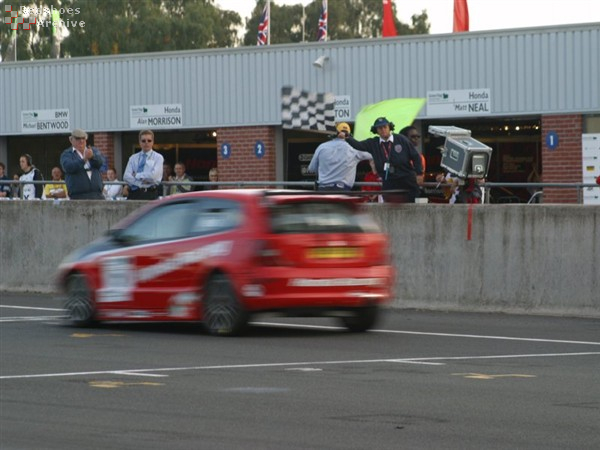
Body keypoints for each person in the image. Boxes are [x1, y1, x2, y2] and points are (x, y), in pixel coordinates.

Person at [346, 117, 423, 202]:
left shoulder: (401, 139)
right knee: (391, 207)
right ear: (376, 130)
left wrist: (419, 174)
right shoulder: (373, 143)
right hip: (388, 181)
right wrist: (347, 137)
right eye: (380, 128)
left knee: (411, 206)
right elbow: (358, 145)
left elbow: (415, 156)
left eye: (385, 127)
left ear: (389, 127)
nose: (383, 130)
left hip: (406, 179)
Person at [308, 122, 374, 191]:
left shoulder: (321, 147)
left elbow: (312, 168)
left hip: (323, 189)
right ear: (350, 134)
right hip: (342, 190)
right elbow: (373, 155)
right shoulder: (354, 149)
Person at [60, 129, 105, 200]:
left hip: (97, 195)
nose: (81, 141)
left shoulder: (93, 151)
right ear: (71, 140)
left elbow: (100, 163)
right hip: (77, 196)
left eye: (83, 138)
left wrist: (92, 157)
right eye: (78, 138)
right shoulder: (67, 154)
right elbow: (68, 167)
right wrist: (84, 160)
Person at [123, 129, 164, 200]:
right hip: (133, 193)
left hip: (150, 194)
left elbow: (154, 177)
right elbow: (126, 176)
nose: (146, 143)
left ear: (153, 142)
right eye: (143, 141)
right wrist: (140, 184)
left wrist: (137, 175)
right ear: (139, 142)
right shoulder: (133, 158)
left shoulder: (158, 157)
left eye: (149, 140)